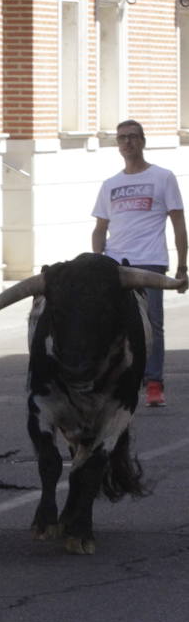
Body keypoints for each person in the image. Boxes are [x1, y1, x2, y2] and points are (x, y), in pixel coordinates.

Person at [92, 118, 189, 407]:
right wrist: (97, 262)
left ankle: (154, 382)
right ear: (117, 145)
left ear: (143, 141)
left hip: (151, 263)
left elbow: (178, 223)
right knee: (110, 324)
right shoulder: (111, 185)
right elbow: (99, 228)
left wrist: (182, 266)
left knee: (152, 323)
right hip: (114, 265)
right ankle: (114, 379)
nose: (127, 143)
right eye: (122, 138)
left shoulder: (163, 177)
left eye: (133, 137)